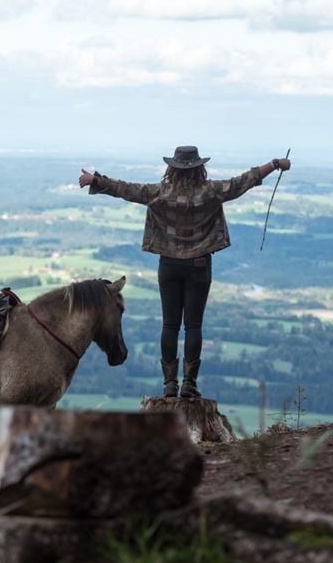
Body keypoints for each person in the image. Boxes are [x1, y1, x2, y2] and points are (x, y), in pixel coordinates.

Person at [79, 146, 291, 398]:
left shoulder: (158, 193)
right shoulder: (211, 192)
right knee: (193, 326)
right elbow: (245, 180)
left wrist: (95, 180)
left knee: (169, 325)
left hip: (168, 266)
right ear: (200, 167)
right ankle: (190, 384)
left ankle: (169, 384)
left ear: (172, 168)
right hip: (199, 266)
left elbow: (125, 189)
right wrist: (275, 163)